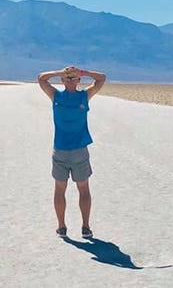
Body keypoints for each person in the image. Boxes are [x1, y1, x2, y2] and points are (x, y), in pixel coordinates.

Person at [37, 65, 106, 238]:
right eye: (67, 77)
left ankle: (80, 226)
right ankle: (67, 226)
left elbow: (102, 78)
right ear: (63, 80)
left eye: (72, 77)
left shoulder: (80, 96)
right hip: (68, 151)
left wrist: (69, 73)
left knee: (71, 189)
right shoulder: (59, 96)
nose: (69, 79)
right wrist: (72, 73)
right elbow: (40, 78)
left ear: (78, 80)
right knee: (72, 189)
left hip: (69, 150)